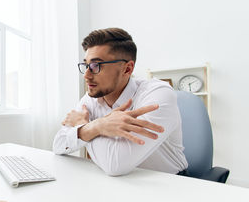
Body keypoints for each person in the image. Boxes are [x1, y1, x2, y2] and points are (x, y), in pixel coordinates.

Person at [52, 28, 188, 176]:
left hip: (169, 185)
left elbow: (115, 165)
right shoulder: (90, 99)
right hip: (116, 185)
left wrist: (82, 126)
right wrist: (96, 126)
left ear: (127, 69)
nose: (86, 75)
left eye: (96, 65)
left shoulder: (157, 95)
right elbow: (58, 145)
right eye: (86, 65)